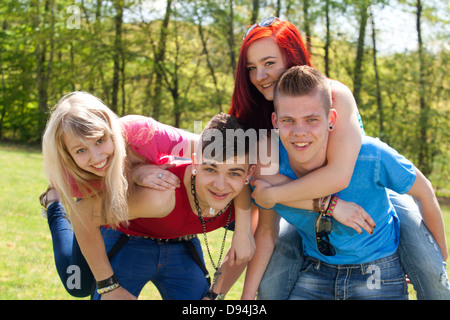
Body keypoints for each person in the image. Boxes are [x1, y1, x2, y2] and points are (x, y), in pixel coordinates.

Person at [229, 16, 450, 299]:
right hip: (304, 206)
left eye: (269, 63)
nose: (260, 76)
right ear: (276, 120)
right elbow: (258, 184)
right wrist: (244, 229)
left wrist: (276, 195)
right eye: (252, 68)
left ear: (292, 57)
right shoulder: (258, 115)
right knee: (271, 281)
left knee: (431, 269)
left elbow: (339, 175)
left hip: (369, 189)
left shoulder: (333, 94)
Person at [40, 91, 255, 299]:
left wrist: (243, 230)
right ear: (68, 155)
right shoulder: (71, 180)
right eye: (80, 150)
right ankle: (54, 206)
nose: (96, 157)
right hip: (114, 213)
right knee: (77, 285)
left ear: (110, 129)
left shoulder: (144, 134)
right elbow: (84, 215)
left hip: (146, 204)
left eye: (99, 140)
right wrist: (134, 173)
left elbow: (229, 157)